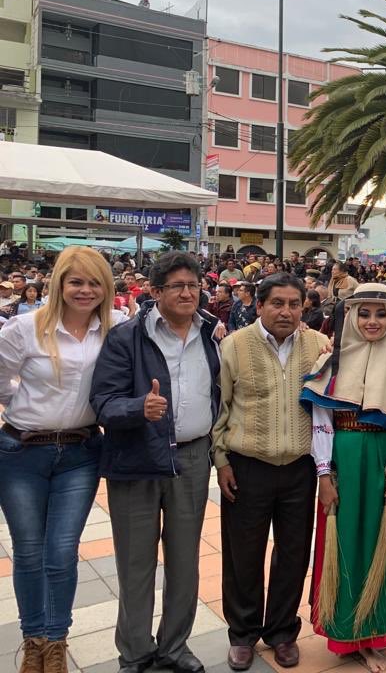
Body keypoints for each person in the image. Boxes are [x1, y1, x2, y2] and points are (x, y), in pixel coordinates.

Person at [90, 252, 221, 673]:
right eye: (177, 285)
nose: (187, 292)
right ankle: (135, 652)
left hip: (192, 458)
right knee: (135, 563)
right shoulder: (126, 337)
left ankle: (174, 646)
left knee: (185, 561)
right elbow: (103, 403)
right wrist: (138, 409)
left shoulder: (210, 335)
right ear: (155, 291)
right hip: (137, 459)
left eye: (194, 284)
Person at [0, 248, 121, 673]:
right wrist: (29, 408)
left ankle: (56, 641)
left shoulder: (115, 329)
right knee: (29, 552)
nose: (85, 290)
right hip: (20, 453)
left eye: (94, 282)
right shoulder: (23, 328)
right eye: (76, 282)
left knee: (61, 551)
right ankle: (33, 641)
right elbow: (1, 381)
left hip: (80, 453)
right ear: (59, 285)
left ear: (106, 287)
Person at [301, 283, 386, 671]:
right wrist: (323, 474)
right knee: (347, 544)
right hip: (344, 465)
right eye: (365, 313)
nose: (373, 321)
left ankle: (376, 632)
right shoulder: (332, 362)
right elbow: (322, 423)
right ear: (352, 316)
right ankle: (347, 631)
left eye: (381, 313)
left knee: (382, 546)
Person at [213, 273, 329, 670]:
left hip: (300, 467)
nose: (286, 311)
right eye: (277, 303)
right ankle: (242, 634)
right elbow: (221, 408)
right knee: (242, 553)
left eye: (294, 304)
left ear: (304, 307)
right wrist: (221, 459)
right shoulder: (234, 346)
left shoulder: (319, 345)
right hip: (247, 467)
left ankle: (281, 631)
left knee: (294, 554)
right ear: (259, 305)